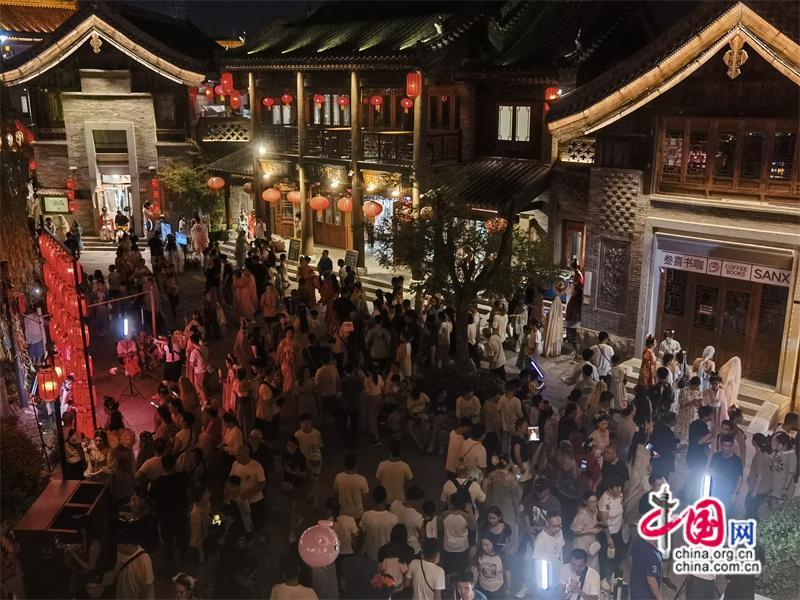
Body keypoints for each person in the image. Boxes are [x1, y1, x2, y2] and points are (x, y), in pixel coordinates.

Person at [149, 454, 191, 571]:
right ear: (174, 465)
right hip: (180, 513)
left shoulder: (157, 482)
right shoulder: (182, 477)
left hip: (165, 516)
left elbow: (153, 502)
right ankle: (184, 560)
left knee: (167, 540)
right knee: (182, 537)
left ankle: (170, 562)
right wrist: (188, 508)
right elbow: (188, 493)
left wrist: (154, 515)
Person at [97, 530, 155, 599]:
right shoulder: (121, 552)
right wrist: (100, 584)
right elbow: (117, 571)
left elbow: (147, 585)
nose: (118, 548)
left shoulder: (144, 559)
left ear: (129, 544)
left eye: (120, 545)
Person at [229, 443, 267, 533]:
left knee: (256, 522)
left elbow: (262, 483)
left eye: (239, 455)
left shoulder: (257, 466)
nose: (236, 457)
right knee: (243, 523)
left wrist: (250, 492)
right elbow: (230, 479)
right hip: (240, 501)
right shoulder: (235, 464)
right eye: (236, 455)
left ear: (246, 455)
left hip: (254, 501)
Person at [359, 486, 399, 562]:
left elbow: (363, 536)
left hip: (371, 556)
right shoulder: (394, 518)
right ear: (386, 498)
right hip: (388, 557)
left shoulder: (366, 516)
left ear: (373, 498)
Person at [334, 453, 370, 519]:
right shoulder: (361, 479)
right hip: (357, 514)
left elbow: (336, 494)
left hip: (343, 513)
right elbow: (365, 498)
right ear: (356, 464)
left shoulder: (338, 477)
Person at [769, 432, 797, 505]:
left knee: (778, 508)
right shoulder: (779, 452)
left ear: (785, 445)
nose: (776, 445)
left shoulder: (791, 455)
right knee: (772, 506)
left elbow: (791, 474)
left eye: (778, 444)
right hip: (775, 488)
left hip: (782, 489)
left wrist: (785, 488)